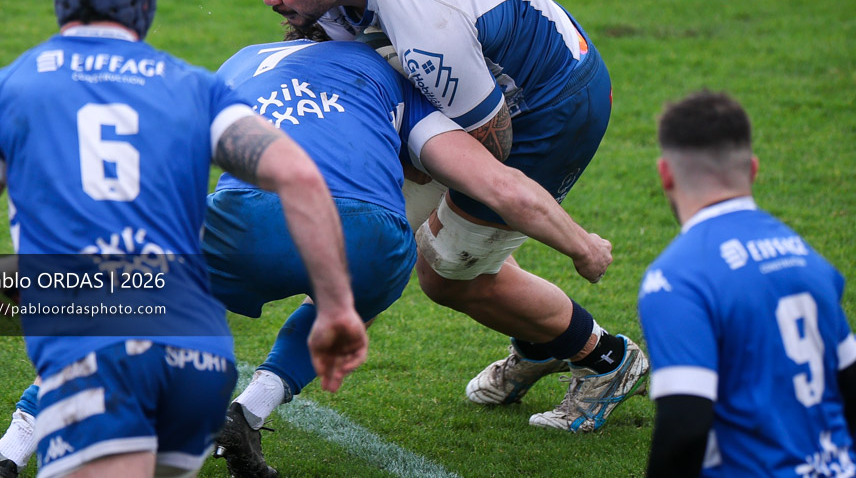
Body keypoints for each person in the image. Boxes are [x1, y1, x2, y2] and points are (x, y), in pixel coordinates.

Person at [0, 0, 367, 478]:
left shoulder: (9, 88)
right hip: (200, 359)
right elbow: (300, 178)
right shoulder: (192, 86)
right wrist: (333, 308)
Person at [249, 0, 648, 432]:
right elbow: (343, 44)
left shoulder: (425, 25)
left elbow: (487, 146)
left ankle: (605, 358)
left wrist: (391, 165)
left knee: (447, 272)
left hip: (547, 109)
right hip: (500, 68)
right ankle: (540, 344)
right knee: (364, 227)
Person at [205, 29, 619, 475]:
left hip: (244, 217)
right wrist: (582, 246)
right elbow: (499, 185)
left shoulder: (241, 61)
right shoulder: (391, 75)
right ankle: (246, 413)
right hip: (370, 239)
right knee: (351, 293)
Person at [639, 90, 856, 477]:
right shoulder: (808, 258)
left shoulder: (675, 279)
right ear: (753, 169)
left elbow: (684, 424)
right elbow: (850, 383)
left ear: (665, 173)